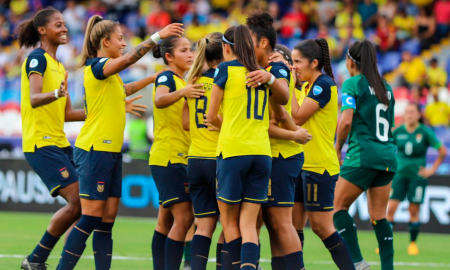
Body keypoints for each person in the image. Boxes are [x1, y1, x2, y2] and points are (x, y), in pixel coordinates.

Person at [56, 16, 183, 270]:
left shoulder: (108, 74)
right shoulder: (97, 66)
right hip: (94, 149)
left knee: (107, 219)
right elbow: (127, 60)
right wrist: (157, 36)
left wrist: (152, 79)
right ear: (105, 42)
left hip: (110, 151)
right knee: (91, 217)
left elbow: (123, 89)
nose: (124, 43)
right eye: (120, 38)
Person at [17, 7, 85, 270]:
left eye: (65, 24)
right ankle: (36, 259)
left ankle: (41, 261)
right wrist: (57, 93)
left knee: (84, 203)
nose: (64, 28)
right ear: (42, 30)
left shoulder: (59, 66)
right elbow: (35, 99)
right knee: (78, 201)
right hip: (40, 143)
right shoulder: (38, 59)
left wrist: (101, 112)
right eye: (58, 24)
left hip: (59, 142)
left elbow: (67, 114)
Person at [246, 11, 311, 270]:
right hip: (273, 155)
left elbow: (276, 118)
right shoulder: (265, 70)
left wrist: (294, 133)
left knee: (281, 221)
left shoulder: (276, 72)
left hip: (281, 155)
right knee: (268, 221)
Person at [207, 25, 272, 270]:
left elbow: (212, 116)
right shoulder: (262, 73)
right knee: (249, 224)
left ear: (225, 47)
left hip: (233, 151)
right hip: (262, 152)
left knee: (230, 222)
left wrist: (228, 125)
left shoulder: (223, 69)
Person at [290, 38, 355, 270]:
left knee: (321, 227)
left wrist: (284, 85)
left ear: (314, 62)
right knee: (292, 226)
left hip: (319, 166)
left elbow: (297, 118)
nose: (294, 66)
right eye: (291, 61)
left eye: (297, 61)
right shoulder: (306, 86)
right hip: (299, 163)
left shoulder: (323, 84)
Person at [333, 40, 397, 270]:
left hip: (363, 155)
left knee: (337, 207)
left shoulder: (353, 83)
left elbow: (346, 119)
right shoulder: (386, 87)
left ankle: (358, 262)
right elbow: (389, 126)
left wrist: (338, 146)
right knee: (380, 216)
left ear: (350, 61)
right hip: (387, 156)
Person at [150, 34, 204, 270]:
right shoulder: (166, 77)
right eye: (184, 51)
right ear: (169, 57)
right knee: (185, 218)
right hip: (170, 157)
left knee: (166, 220)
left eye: (190, 49)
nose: (190, 54)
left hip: (177, 156)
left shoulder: (183, 81)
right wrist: (184, 93)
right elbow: (160, 100)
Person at [182, 32, 224, 270]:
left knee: (204, 224)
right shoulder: (225, 79)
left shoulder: (194, 80)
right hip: (217, 158)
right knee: (230, 224)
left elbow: (186, 124)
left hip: (195, 158)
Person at [387, 103, 447, 255]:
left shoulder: (425, 132)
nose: (409, 115)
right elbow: (385, 147)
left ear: (419, 115)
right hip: (399, 175)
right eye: (407, 112)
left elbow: (442, 151)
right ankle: (385, 243)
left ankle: (412, 243)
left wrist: (431, 170)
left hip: (417, 177)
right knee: (391, 209)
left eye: (412, 112)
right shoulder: (397, 131)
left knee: (413, 210)